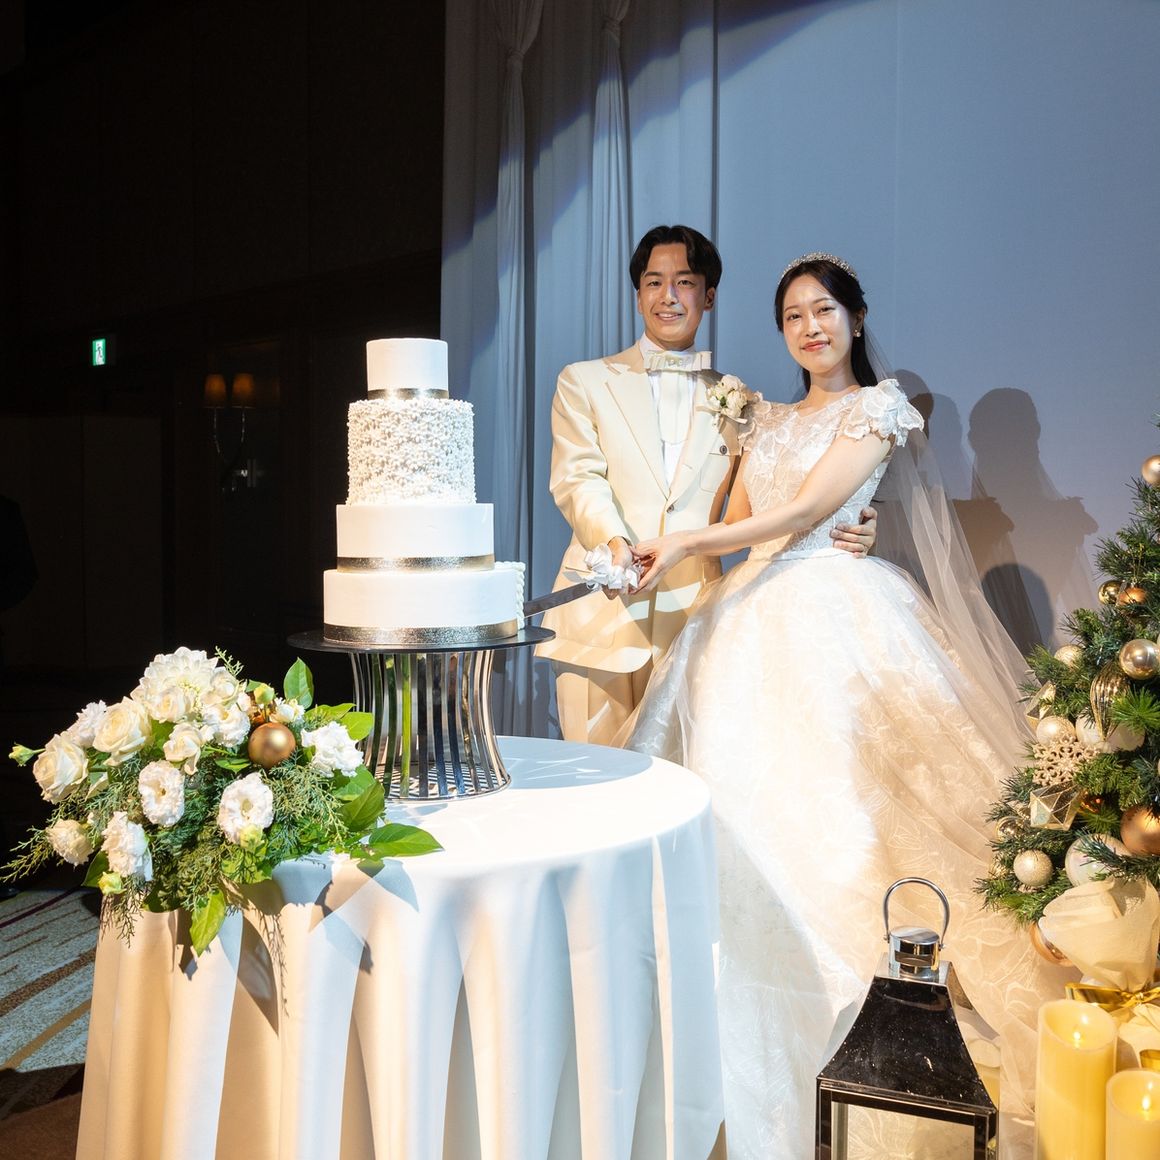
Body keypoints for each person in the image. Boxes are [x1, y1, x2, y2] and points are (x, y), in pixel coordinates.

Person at [627, 253, 1052, 1158]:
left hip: (836, 611)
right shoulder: (766, 417)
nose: (810, 328)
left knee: (849, 808)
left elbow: (806, 512)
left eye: (823, 310)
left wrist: (691, 540)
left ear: (855, 318)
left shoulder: (878, 407)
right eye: (792, 317)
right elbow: (745, 521)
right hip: (747, 617)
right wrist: (703, 523)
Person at [537, 226, 876, 745]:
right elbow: (577, 478)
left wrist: (854, 519)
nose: (668, 296)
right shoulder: (584, 380)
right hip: (601, 611)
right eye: (654, 282)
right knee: (594, 773)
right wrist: (615, 545)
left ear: (709, 296)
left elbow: (774, 498)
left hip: (695, 617)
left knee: (682, 775)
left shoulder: (741, 402)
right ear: (638, 295)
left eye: (685, 282)